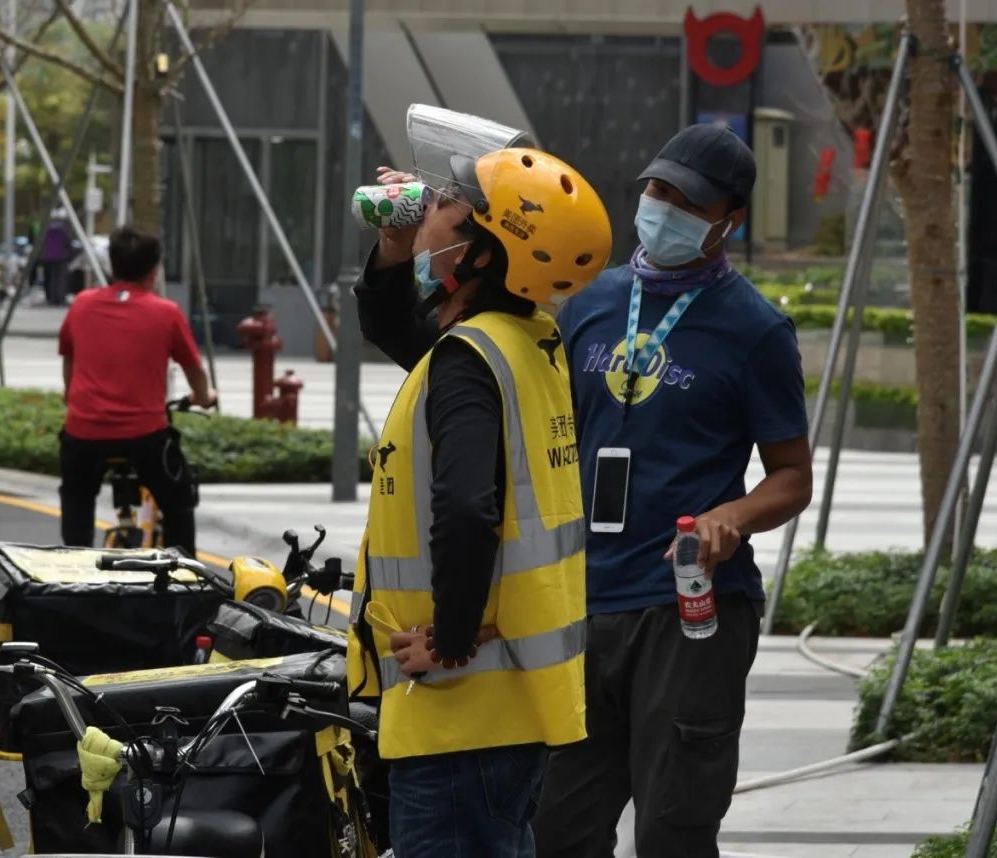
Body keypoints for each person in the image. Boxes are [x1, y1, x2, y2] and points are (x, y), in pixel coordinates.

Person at [532, 124, 814, 858]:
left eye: (688, 202)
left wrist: (733, 517)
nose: (663, 209)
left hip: (690, 609)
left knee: (672, 832)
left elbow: (792, 476)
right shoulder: (587, 302)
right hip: (581, 600)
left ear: (729, 221)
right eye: (657, 190)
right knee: (555, 828)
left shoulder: (756, 330)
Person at [347, 146, 613, 858]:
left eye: (444, 204)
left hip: (460, 714)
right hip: (505, 709)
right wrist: (395, 248)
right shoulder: (524, 340)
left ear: (480, 253)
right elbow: (400, 332)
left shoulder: (470, 361)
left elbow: (467, 508)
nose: (426, 206)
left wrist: (451, 637)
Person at [57, 226, 216, 556]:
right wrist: (204, 397)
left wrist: (72, 396)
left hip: (84, 433)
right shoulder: (166, 312)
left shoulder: (81, 305)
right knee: (178, 501)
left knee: (76, 497)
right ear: (154, 271)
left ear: (112, 265)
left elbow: (69, 363)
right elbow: (194, 370)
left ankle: (74, 563)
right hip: (144, 435)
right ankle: (184, 574)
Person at [40, 209, 74, 306]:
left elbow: (41, 240)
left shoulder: (46, 226)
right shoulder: (65, 227)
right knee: (60, 278)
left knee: (50, 278)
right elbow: (68, 240)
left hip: (48, 255)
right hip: (61, 255)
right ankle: (59, 298)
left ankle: (51, 298)